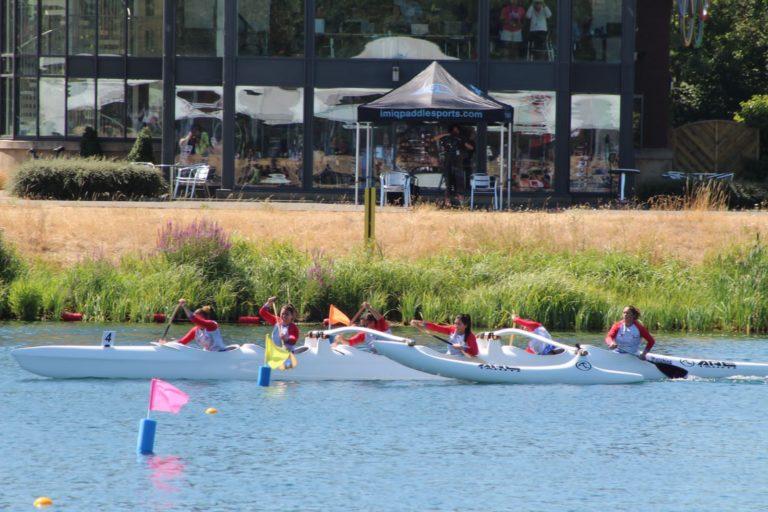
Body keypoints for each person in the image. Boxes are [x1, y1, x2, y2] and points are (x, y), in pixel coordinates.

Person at [159, 298, 228, 352]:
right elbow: (182, 342)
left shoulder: (212, 325)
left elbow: (193, 318)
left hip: (219, 353)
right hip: (208, 354)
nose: (196, 321)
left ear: (204, 318)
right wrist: (166, 344)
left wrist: (184, 306)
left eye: (199, 318)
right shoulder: (195, 330)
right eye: (196, 317)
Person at [434, 125, 473, 206]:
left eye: (456, 130)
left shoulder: (461, 138)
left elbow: (471, 148)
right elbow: (434, 139)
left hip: (458, 163)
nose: (455, 132)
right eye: (453, 130)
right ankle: (447, 200)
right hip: (448, 162)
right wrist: (446, 134)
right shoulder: (447, 138)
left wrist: (462, 141)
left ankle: (460, 199)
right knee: (448, 182)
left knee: (459, 181)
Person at [410, 315, 478, 357]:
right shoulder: (452, 329)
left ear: (465, 325)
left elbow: (474, 353)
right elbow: (437, 328)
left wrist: (461, 348)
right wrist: (418, 322)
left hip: (462, 359)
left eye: (459, 324)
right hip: (449, 356)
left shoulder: (470, 337)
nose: (456, 326)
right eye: (455, 323)